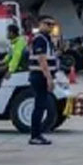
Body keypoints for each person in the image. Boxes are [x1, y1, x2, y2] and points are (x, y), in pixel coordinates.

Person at [28, 15, 57, 146]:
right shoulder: (40, 39)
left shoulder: (46, 39)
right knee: (39, 106)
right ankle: (35, 135)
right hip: (40, 75)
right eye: (48, 24)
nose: (51, 27)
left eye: (52, 24)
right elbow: (42, 60)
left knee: (41, 105)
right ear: (40, 24)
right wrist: (49, 78)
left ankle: (37, 134)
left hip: (41, 75)